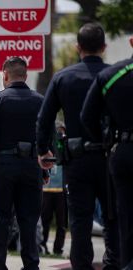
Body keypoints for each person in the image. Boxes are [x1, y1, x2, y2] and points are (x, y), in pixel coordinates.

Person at [37, 23, 120, 269]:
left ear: (77, 47)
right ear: (104, 47)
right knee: (112, 216)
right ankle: (114, 263)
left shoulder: (63, 77)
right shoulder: (114, 75)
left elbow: (45, 118)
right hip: (109, 157)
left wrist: (43, 150)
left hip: (77, 160)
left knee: (79, 220)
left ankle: (81, 266)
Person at [0, 57, 44, 270]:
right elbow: (46, 130)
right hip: (32, 166)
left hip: (2, 167)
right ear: (26, 74)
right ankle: (31, 265)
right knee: (29, 219)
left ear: (5, 75)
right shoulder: (40, 100)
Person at [81, 36, 133, 270]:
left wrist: (105, 141)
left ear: (131, 42)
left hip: (123, 151)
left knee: (126, 216)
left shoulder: (112, 75)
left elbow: (87, 117)